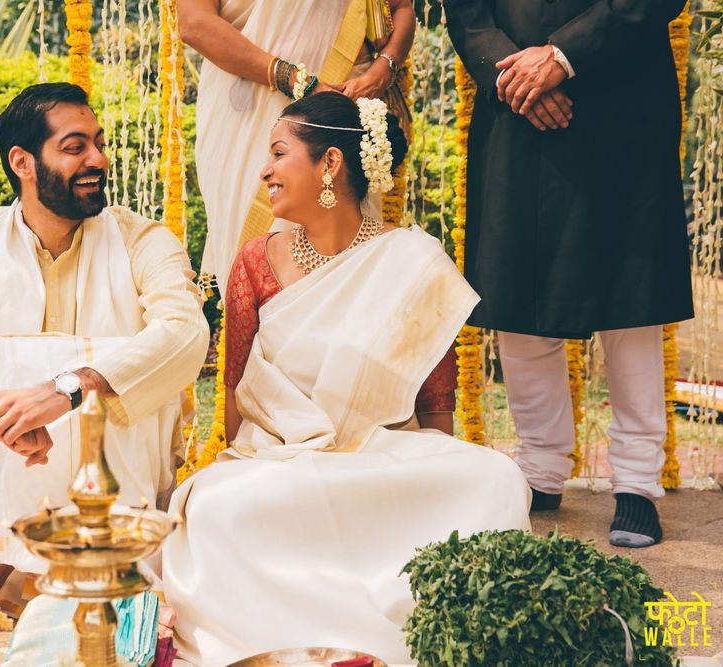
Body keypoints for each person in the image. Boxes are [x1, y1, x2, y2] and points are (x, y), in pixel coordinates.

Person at [161, 92, 531, 665]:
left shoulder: (414, 260)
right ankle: (301, 630)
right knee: (215, 508)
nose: (265, 170)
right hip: (281, 458)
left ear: (329, 163)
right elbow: (238, 389)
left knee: (495, 479)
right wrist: (237, 464)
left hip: (381, 457)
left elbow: (435, 406)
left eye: (279, 154)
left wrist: (436, 472)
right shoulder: (255, 262)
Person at [0, 82, 209, 647]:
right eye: (75, 147)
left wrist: (68, 388)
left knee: (103, 364)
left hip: (108, 462)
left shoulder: (145, 240)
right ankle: (5, 555)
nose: (97, 158)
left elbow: (185, 332)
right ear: (22, 162)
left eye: (98, 143)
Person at [443, 0, 693, 547]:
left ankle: (635, 483)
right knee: (521, 291)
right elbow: (466, 13)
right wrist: (516, 75)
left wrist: (562, 56)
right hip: (514, 103)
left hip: (621, 97)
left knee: (630, 298)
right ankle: (540, 470)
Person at [178, 0, 417, 297]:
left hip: (343, 109)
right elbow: (194, 24)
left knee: (347, 261)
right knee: (259, 261)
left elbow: (401, 8)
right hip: (249, 113)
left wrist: (384, 67)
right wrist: (292, 79)